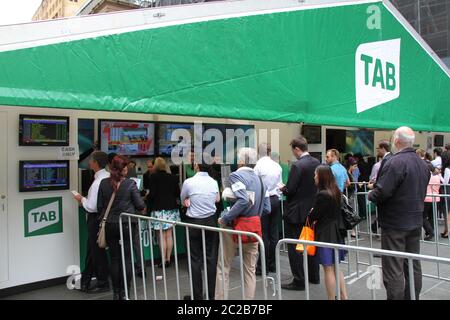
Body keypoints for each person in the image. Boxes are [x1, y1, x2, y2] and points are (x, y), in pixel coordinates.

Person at [368, 126, 430, 300]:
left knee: (393, 268)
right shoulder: (422, 163)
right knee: (412, 264)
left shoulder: (395, 162)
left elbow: (382, 191)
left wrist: (371, 194)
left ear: (396, 141)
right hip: (415, 220)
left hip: (395, 223)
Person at [216, 148, 271, 300]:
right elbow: (267, 208)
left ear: (241, 161)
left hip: (233, 227)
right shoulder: (261, 180)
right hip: (254, 230)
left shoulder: (235, 175)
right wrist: (254, 216)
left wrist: (225, 218)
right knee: (250, 271)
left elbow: (242, 199)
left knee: (223, 267)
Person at [97, 155, 146, 300]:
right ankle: (125, 293)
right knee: (127, 259)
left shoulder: (103, 183)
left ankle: (116, 293)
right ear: (122, 169)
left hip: (110, 225)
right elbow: (140, 205)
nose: (127, 169)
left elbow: (99, 206)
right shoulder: (130, 184)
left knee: (114, 259)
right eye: (125, 167)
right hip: (126, 225)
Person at [280, 136, 320, 290]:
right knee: (310, 244)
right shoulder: (317, 163)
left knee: (295, 247)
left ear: (297, 149)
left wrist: (284, 188)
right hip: (312, 210)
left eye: (293, 150)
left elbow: (290, 189)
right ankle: (314, 276)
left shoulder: (297, 166)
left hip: (296, 212)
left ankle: (299, 280)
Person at [180, 155, 220, 300]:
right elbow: (217, 199)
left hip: (194, 222)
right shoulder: (214, 182)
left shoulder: (188, 182)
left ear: (196, 165)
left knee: (194, 260)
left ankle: (197, 296)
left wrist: (189, 200)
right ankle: (211, 295)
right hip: (211, 222)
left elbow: (183, 198)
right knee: (211, 259)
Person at [72, 151, 111, 293]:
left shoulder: (98, 182)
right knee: (92, 251)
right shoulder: (108, 177)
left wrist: (81, 199)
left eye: (90, 160)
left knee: (97, 253)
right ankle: (86, 281)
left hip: (95, 219)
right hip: (104, 219)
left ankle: (103, 283)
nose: (88, 162)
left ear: (95, 163)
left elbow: (91, 206)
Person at [310, 164, 348, 300]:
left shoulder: (322, 194)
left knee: (328, 268)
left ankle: (331, 298)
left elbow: (314, 215)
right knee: (337, 267)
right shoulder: (336, 191)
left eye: (316, 174)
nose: (314, 177)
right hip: (337, 232)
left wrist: (311, 213)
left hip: (325, 234)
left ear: (322, 176)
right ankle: (344, 297)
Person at [254, 143, 282, 275]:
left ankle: (262, 267)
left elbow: (255, 185)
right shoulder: (277, 166)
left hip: (263, 200)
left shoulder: (258, 166)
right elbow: (280, 185)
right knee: (274, 233)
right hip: (276, 199)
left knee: (263, 234)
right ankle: (273, 265)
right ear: (270, 152)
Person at [148, 157, 181, 268]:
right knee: (169, 235)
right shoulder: (173, 178)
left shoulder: (153, 177)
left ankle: (163, 260)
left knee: (161, 236)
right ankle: (168, 258)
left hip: (158, 209)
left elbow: (152, 194)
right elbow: (177, 193)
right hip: (171, 208)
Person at [423, 162, 441, 241]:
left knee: (422, 216)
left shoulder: (427, 175)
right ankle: (430, 232)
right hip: (436, 198)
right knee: (432, 216)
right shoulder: (438, 175)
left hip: (427, 197)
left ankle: (430, 231)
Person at [345, 157, 358, 238]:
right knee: (351, 214)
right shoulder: (347, 173)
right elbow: (348, 185)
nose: (356, 168)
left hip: (351, 196)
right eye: (355, 166)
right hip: (349, 196)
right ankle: (352, 231)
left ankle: (352, 231)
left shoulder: (350, 173)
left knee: (351, 213)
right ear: (350, 166)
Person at [440, 151, 450, 238]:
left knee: (446, 212)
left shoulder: (447, 169)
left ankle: (447, 231)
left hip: (447, 191)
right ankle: (446, 230)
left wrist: (440, 176)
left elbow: (445, 182)